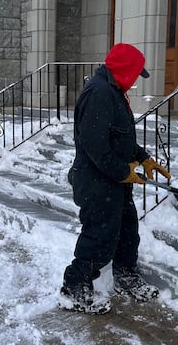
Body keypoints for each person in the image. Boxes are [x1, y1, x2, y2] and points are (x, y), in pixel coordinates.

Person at [59, 43, 171, 314]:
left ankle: (125, 275)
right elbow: (95, 145)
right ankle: (74, 287)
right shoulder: (99, 93)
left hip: (113, 181)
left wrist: (142, 157)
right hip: (98, 182)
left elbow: (118, 137)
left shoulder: (114, 91)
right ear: (124, 70)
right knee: (99, 235)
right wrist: (124, 172)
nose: (135, 80)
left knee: (126, 230)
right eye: (135, 74)